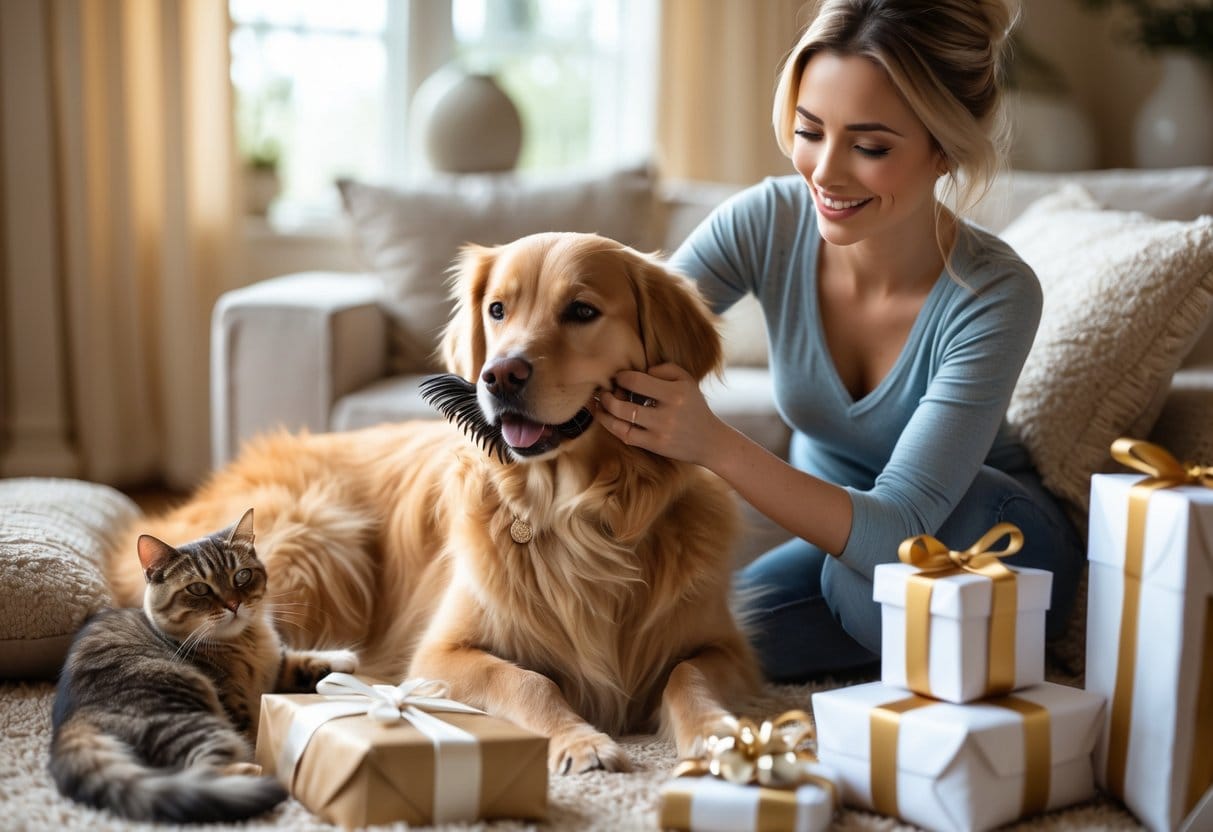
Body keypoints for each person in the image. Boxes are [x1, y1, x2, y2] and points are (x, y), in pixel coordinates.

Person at [597, 0, 1085, 682]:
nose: (824, 171)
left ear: (943, 147)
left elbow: (899, 530)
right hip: (837, 552)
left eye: (869, 145)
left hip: (984, 530)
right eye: (809, 131)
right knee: (689, 644)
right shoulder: (765, 221)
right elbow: (631, 333)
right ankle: (914, 647)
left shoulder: (994, 293)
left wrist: (710, 442)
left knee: (869, 583)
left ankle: (933, 648)